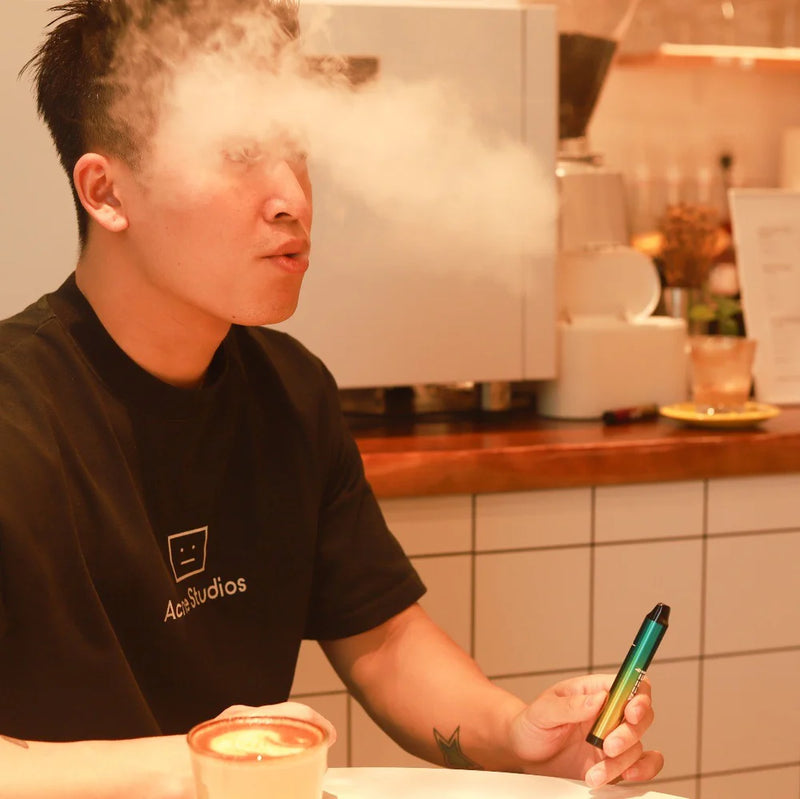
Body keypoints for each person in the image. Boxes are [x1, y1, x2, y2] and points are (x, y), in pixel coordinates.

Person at [0, 1, 664, 796]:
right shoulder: (15, 412)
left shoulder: (290, 390)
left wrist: (517, 736)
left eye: (298, 150)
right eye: (238, 152)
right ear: (106, 192)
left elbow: (384, 643)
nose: (292, 197)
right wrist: (207, 762)